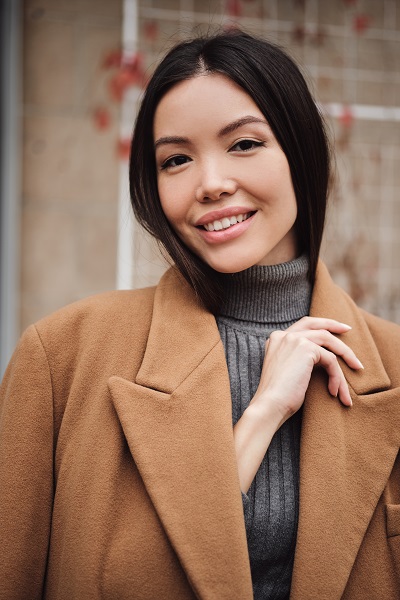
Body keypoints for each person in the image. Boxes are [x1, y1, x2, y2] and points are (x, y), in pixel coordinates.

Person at [0, 30, 399, 600]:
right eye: (177, 159)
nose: (210, 184)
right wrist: (260, 417)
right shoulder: (63, 356)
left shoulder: (394, 367)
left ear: (299, 150)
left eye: (243, 145)